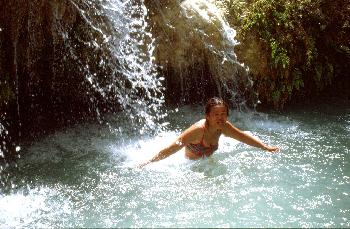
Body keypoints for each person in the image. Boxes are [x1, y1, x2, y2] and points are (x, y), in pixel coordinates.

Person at [139, 97, 279, 167]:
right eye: (216, 114)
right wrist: (148, 163)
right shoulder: (198, 130)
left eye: (223, 113)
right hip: (189, 165)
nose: (220, 117)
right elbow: (173, 147)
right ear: (207, 115)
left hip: (206, 163)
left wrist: (265, 147)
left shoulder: (224, 126)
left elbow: (242, 137)